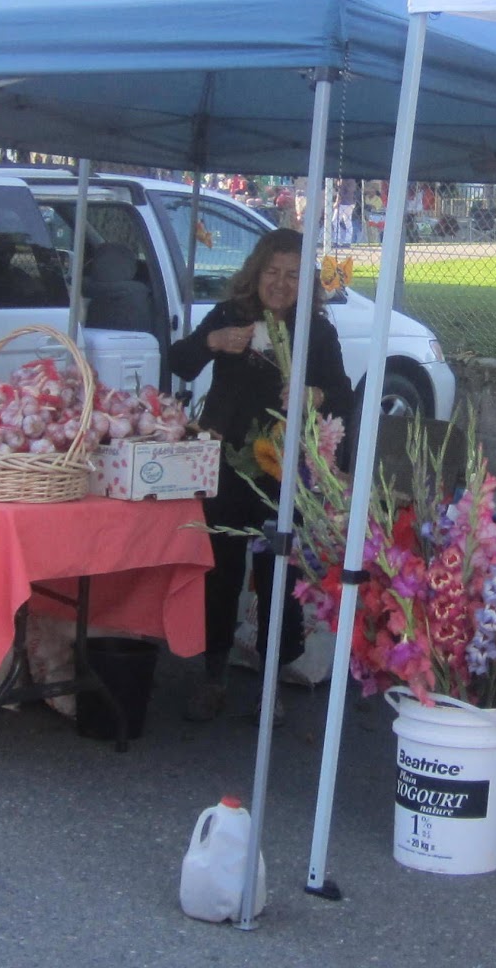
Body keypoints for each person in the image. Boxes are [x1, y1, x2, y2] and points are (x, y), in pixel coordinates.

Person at [168, 227, 354, 724]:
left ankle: (270, 685)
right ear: (256, 272)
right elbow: (179, 362)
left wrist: (313, 396)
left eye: (293, 275)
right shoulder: (233, 315)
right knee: (221, 571)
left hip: (282, 467)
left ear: (306, 282)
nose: (280, 283)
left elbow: (343, 398)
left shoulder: (317, 331)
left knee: (277, 575)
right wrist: (213, 341)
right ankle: (213, 677)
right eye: (272, 272)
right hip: (227, 461)